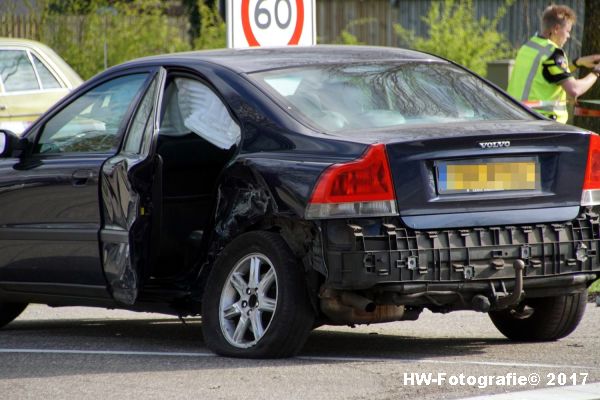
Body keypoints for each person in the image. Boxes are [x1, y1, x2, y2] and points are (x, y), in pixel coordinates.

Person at [507, 5, 600, 123]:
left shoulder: (529, 46)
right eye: (567, 31)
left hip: (516, 117)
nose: (568, 36)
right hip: (541, 123)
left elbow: (548, 73)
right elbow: (574, 90)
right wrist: (596, 72)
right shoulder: (553, 53)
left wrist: (577, 63)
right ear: (556, 29)